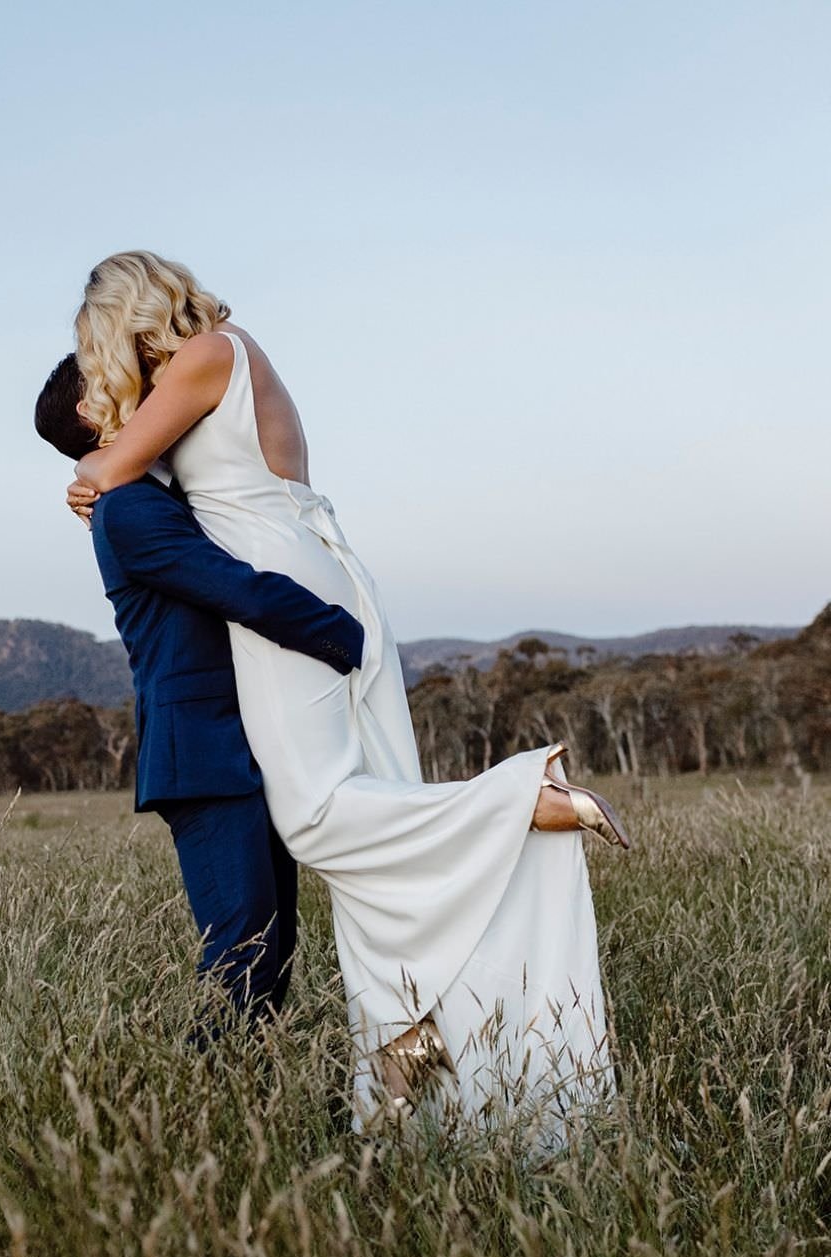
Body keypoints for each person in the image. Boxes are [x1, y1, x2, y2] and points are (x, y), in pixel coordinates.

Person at [63, 250, 629, 1144]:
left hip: (287, 590)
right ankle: (414, 1049)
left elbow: (109, 470)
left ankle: (521, 801)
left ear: (131, 319)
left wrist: (92, 470)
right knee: (378, 828)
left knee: (319, 816)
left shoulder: (209, 353)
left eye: (105, 353)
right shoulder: (224, 364)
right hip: (316, 571)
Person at [34, 354, 365, 1045]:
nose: (149, 385)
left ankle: (245, 1106)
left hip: (236, 743)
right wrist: (350, 639)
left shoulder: (148, 490)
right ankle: (198, 1110)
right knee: (244, 959)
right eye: (120, 378)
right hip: (201, 755)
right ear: (97, 415)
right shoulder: (129, 508)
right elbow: (238, 590)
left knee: (271, 959)